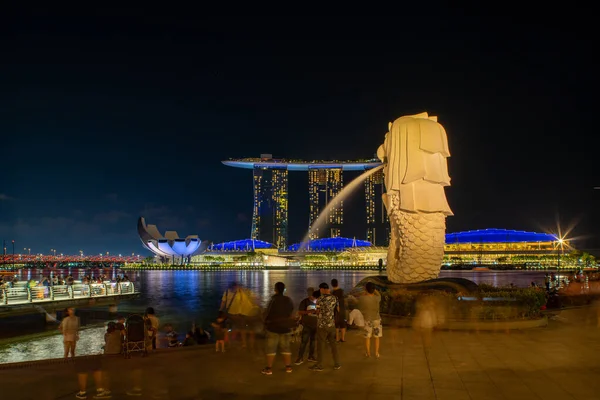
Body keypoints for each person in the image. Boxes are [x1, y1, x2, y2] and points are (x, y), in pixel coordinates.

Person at [262, 281, 295, 375]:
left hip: (273, 328)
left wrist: (265, 322)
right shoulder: (288, 300)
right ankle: (288, 367)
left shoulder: (273, 300)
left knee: (271, 349)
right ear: (284, 289)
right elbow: (291, 311)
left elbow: (267, 313)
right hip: (286, 328)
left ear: (275, 289)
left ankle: (269, 369)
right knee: (286, 348)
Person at [310, 282, 341, 372]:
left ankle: (319, 365)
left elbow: (318, 311)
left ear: (322, 289)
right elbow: (337, 310)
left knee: (320, 345)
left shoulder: (320, 299)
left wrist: (315, 311)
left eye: (320, 289)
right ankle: (337, 363)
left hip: (322, 325)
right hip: (331, 324)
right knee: (333, 345)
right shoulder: (335, 298)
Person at [220, 282, 260, 349]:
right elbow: (223, 302)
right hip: (233, 314)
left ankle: (243, 343)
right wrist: (220, 311)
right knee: (235, 329)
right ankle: (233, 343)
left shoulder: (241, 292)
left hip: (239, 314)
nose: (234, 289)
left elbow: (249, 301)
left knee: (241, 329)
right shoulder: (228, 292)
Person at [358, 282, 382, 358]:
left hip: (367, 320)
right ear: (374, 289)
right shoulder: (377, 298)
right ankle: (376, 353)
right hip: (377, 319)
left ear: (366, 289)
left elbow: (360, 303)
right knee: (377, 337)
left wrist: (365, 291)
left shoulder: (362, 298)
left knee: (367, 337)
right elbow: (378, 294)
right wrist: (374, 290)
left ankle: (368, 353)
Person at [294, 288, 318, 365]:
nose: (312, 297)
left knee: (313, 341)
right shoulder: (304, 302)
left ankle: (311, 356)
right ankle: (300, 357)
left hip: (315, 325)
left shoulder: (318, 301)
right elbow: (300, 312)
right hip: (306, 325)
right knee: (304, 342)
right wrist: (309, 311)